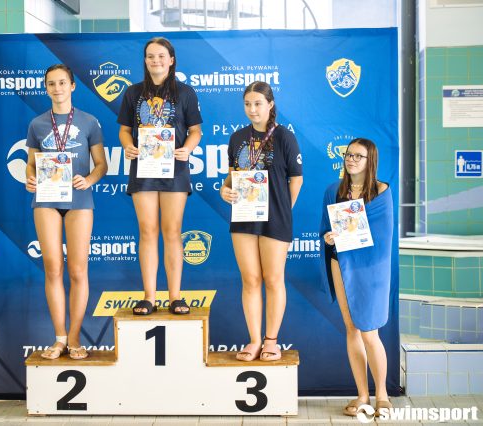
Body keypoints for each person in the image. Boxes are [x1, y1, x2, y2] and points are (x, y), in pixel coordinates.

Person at [25, 64, 108, 360]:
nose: (57, 88)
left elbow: (102, 164)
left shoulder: (89, 122)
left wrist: (89, 179)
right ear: (46, 88)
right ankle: (59, 337)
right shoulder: (37, 124)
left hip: (79, 200)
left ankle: (74, 337)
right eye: (51, 84)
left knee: (77, 270)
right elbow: (31, 164)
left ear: (72, 86)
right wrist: (30, 179)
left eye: (62, 82)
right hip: (47, 199)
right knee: (52, 268)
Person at [117, 37, 202, 315]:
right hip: (143, 168)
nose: (156, 61)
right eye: (151, 56)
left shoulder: (185, 92)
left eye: (161, 56)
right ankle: (149, 297)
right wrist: (127, 146)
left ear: (171, 60)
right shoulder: (133, 92)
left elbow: (196, 131)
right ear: (145, 60)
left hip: (174, 168)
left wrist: (187, 149)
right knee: (147, 230)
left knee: (172, 231)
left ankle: (175, 296)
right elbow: (124, 130)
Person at [219, 81, 303, 361]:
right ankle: (254, 340)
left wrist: (283, 210)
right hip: (244, 216)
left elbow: (296, 179)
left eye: (258, 103)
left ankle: (271, 341)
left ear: (270, 105)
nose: (252, 109)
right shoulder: (237, 138)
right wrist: (224, 190)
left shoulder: (285, 137)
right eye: (247, 104)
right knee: (251, 279)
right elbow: (232, 176)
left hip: (275, 218)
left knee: (273, 279)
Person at [320, 138, 393, 417]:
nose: (351, 159)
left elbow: (383, 236)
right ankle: (362, 394)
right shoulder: (333, 190)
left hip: (370, 268)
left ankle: (382, 395)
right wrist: (328, 238)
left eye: (358, 156)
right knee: (351, 328)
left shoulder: (382, 192)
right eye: (348, 155)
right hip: (341, 263)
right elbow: (325, 228)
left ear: (370, 160)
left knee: (369, 331)